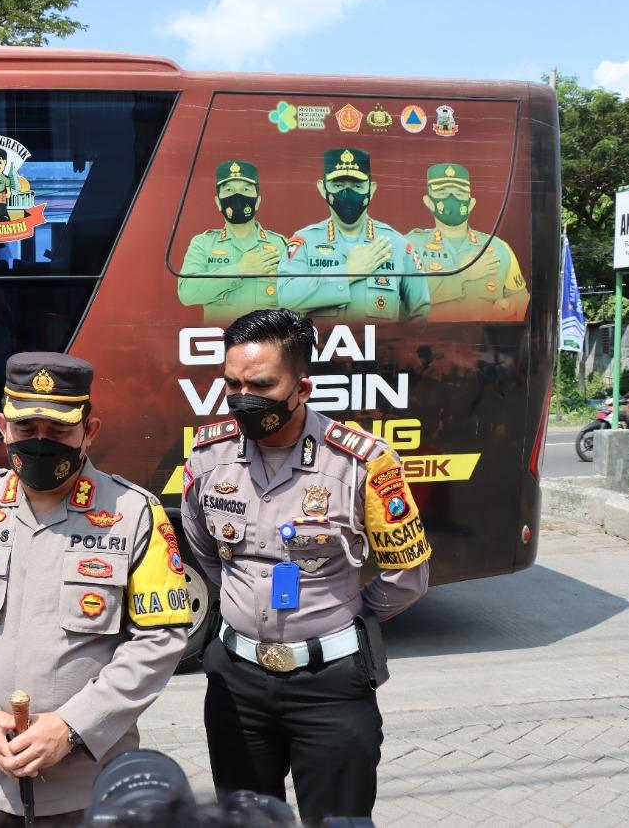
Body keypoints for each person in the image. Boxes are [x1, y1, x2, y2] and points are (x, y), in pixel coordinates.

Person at [0, 352, 191, 826]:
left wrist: (74, 727)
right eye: (26, 430)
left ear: (88, 431)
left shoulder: (136, 514)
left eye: (57, 432)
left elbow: (159, 639)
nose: (40, 444)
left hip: (88, 788)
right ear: (3, 426)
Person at [181, 309, 430, 823]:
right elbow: (204, 549)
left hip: (331, 685)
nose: (243, 397)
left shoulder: (362, 462)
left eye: (262, 384)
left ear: (303, 386)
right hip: (236, 685)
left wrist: (343, 614)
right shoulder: (209, 457)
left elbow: (408, 575)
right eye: (232, 384)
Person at [278, 148, 430, 322]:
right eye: (338, 185)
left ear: (371, 190)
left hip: (380, 348)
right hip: (321, 348)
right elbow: (285, 297)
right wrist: (348, 273)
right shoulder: (304, 242)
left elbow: (420, 311)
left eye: (357, 186)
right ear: (322, 188)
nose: (347, 194)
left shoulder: (398, 245)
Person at [405, 163, 530, 322]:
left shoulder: (499, 248)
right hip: (426, 345)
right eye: (442, 193)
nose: (451, 199)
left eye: (459, 193)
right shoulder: (410, 245)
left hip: (483, 345)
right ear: (428, 201)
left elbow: (520, 295)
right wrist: (461, 274)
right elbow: (401, 296)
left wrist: (511, 307)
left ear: (471, 203)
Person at [177, 160, 288, 323]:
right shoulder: (202, 243)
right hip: (221, 343)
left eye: (245, 189)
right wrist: (239, 269)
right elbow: (186, 293)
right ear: (217, 202)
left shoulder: (280, 245)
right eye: (229, 190)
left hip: (265, 344)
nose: (238, 197)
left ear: (257, 201)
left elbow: (296, 299)